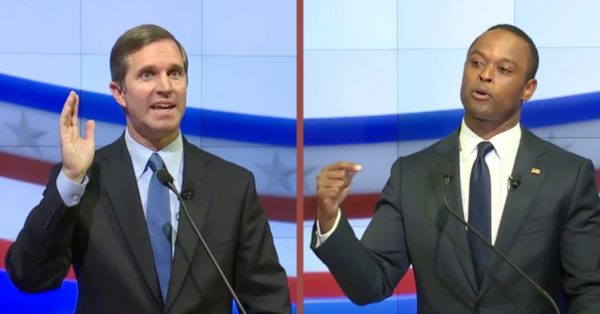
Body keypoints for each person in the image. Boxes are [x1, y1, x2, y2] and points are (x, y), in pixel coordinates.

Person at [312, 24, 600, 313]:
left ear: (528, 88)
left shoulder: (567, 176)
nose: (485, 75)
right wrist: (329, 218)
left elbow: (589, 290)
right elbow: (370, 284)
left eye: (503, 69)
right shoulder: (411, 175)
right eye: (476, 63)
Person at [6, 24, 291, 314]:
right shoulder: (85, 180)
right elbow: (30, 277)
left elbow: (268, 301)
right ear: (119, 93)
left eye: (175, 73)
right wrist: (69, 181)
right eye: (147, 74)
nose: (165, 87)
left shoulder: (233, 185)